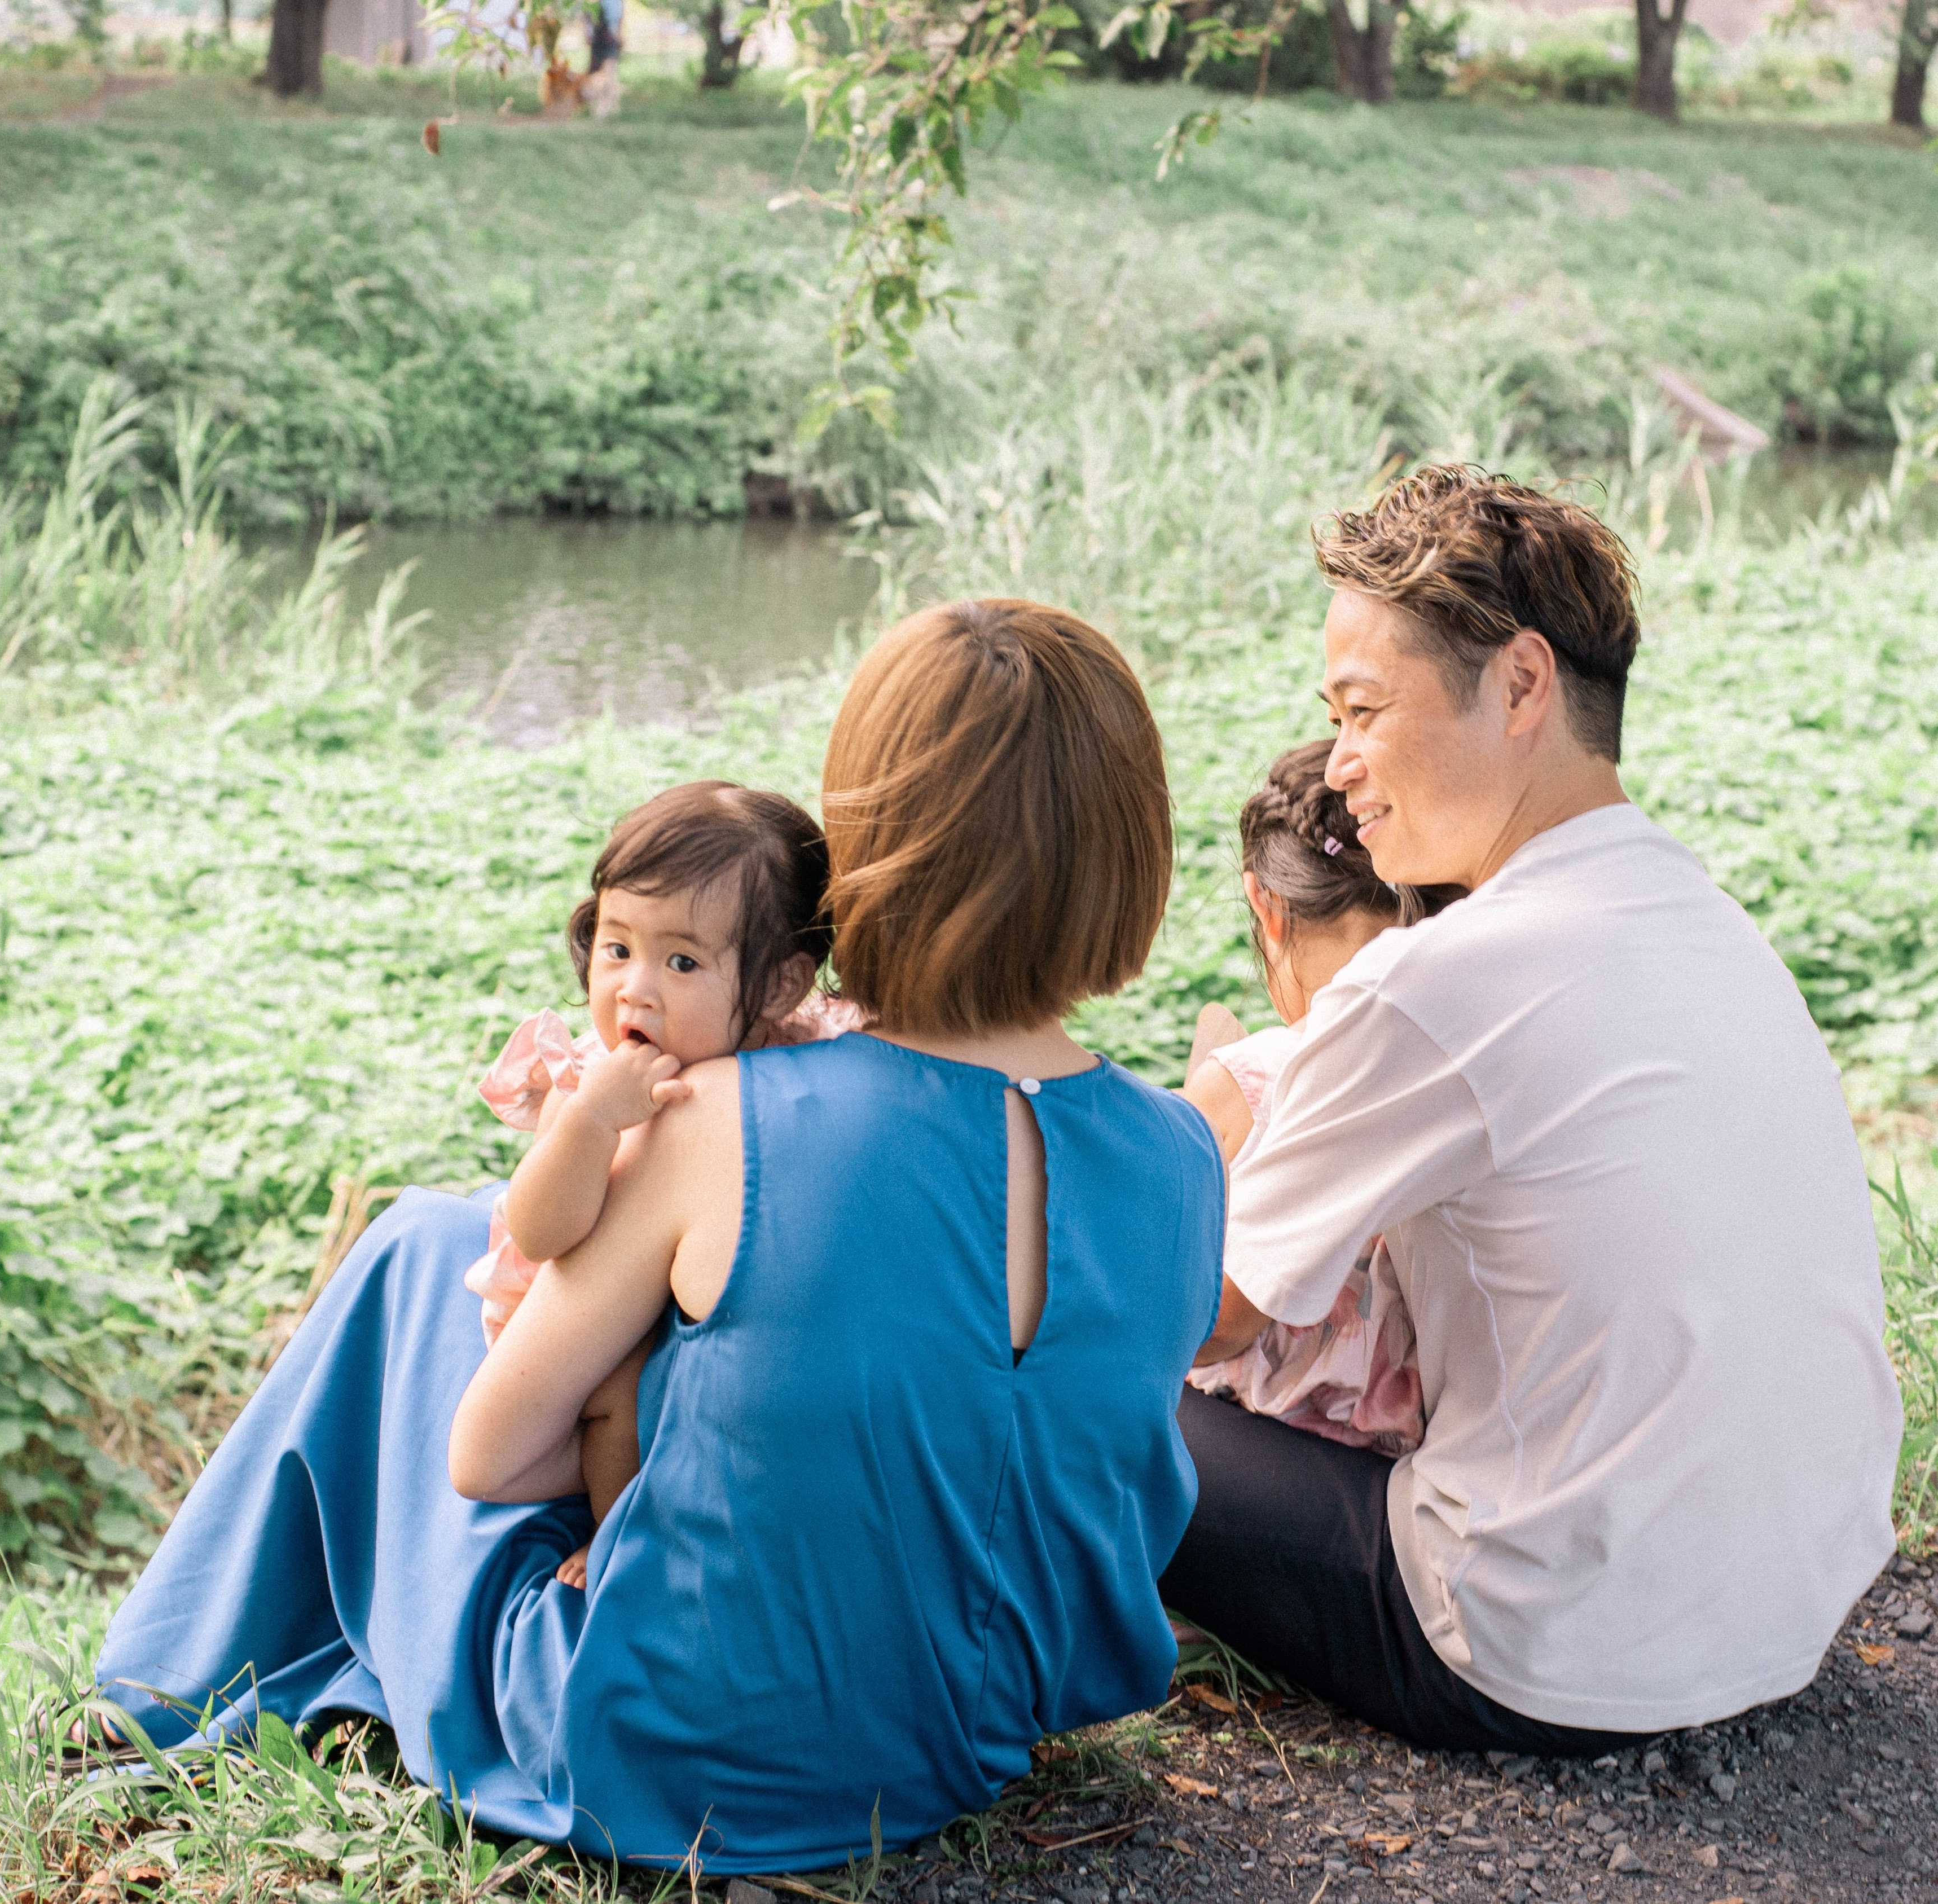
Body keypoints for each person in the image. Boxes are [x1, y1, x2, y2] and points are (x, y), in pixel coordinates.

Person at [93, 598, 1222, 1876]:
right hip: (964, 1739)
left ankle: (165, 1680)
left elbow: (491, 1458)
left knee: (421, 1241)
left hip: (672, 1754)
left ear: (866, 839)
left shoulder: (727, 1119)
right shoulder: (1184, 1158)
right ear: (1130, 850)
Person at [1161, 464, 1904, 1757]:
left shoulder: (1439, 980)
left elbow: (1203, 1311)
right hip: (1793, 1612)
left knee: (1082, 1403)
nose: (1338, 769)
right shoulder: (1711, 924)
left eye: (1362, 711)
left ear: (1519, 685)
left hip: (1541, 1654)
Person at [464, 780, 854, 1589]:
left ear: (781, 985)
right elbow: (543, 1232)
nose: (635, 987)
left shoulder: (799, 1055)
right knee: (619, 1394)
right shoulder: (594, 1077)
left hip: (716, 1326)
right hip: (597, 1325)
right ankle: (615, 1531)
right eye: (618, 948)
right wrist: (589, 1124)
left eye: (681, 960)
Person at [1183, 740, 1456, 1456]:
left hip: (1288, 1459)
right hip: (1418, 1445)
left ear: (1264, 905)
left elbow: (1203, 1324)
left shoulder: (1247, 1077)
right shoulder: (1458, 1044)